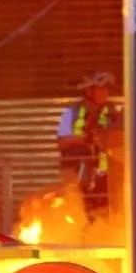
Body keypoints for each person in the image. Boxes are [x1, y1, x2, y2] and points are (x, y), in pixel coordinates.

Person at [56, 71, 123, 213]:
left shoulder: (112, 111)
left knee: (105, 207)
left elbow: (119, 137)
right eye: (101, 89)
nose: (105, 93)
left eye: (107, 89)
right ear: (88, 91)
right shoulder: (71, 112)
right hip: (75, 169)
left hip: (105, 172)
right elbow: (61, 141)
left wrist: (105, 138)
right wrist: (85, 138)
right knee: (76, 205)